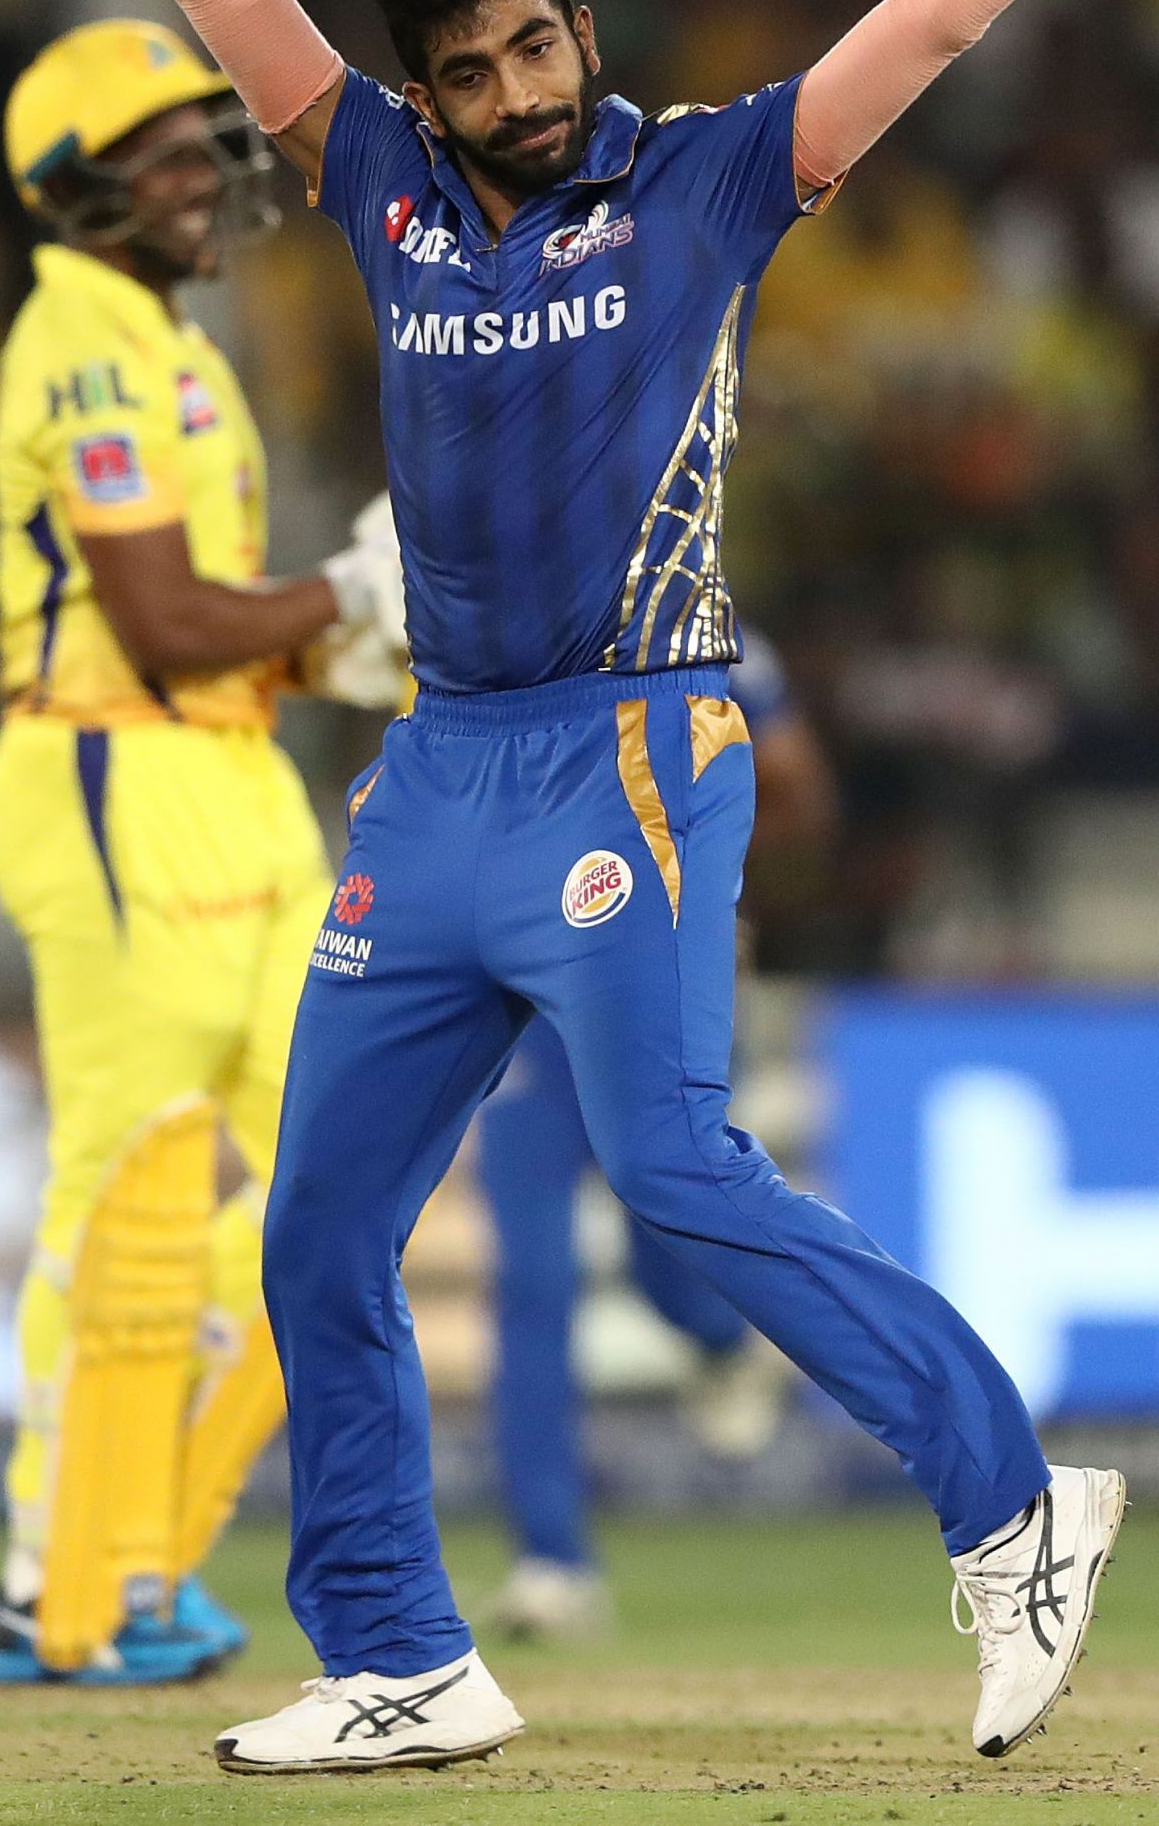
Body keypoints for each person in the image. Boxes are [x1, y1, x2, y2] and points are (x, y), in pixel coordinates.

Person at [57, 0, 1159, 1771]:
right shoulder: (372, 171)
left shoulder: (714, 181)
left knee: (673, 1162)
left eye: (538, 38)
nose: (519, 82)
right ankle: (404, 1646)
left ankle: (1015, 1506)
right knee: (314, 1232)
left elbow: (945, 9)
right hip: (439, 770)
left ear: (583, 27)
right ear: (425, 93)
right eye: (473, 66)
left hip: (637, 745)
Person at [0, 15, 407, 1685]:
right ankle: (50, 1577)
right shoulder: (78, 341)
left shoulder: (175, 349)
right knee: (130, 1176)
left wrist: (320, 648)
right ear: (75, 189)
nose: (205, 176)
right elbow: (153, 620)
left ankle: (134, 1540)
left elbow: (216, 634)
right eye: (161, 154)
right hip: (108, 776)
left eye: (204, 145)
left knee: (344, 1172)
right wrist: (342, 597)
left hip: (233, 781)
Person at [477, 627, 833, 1639]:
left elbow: (804, 792)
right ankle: (553, 1559)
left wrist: (705, 859)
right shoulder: (506, 627)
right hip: (528, 991)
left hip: (658, 970)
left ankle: (725, 1336)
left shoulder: (717, 648)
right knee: (532, 1276)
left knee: (664, 1233)